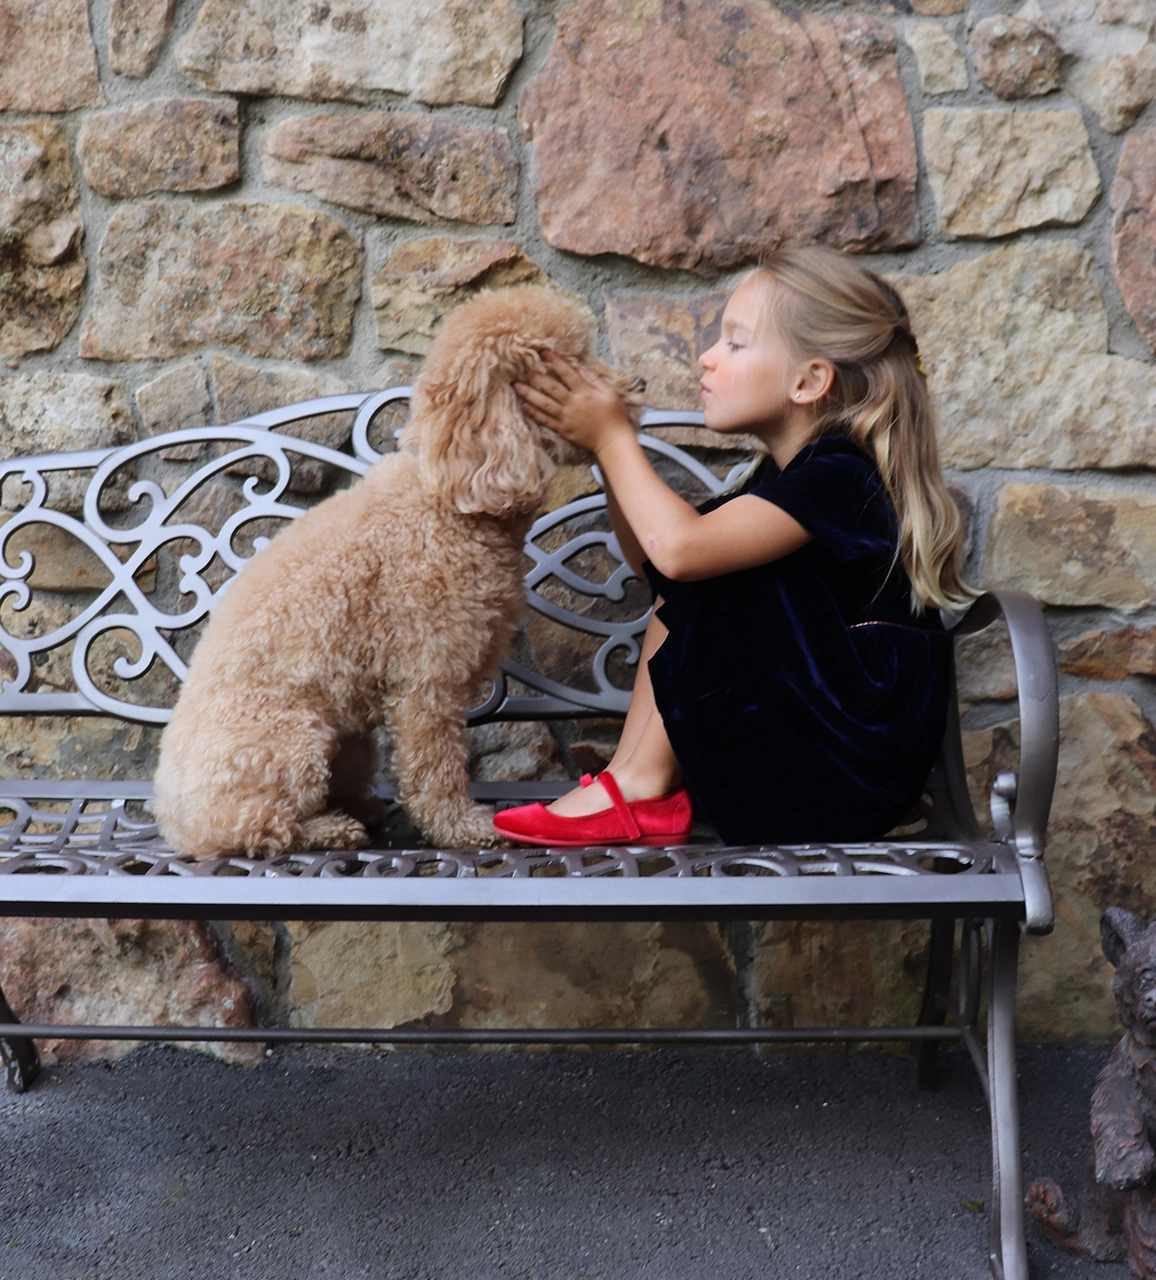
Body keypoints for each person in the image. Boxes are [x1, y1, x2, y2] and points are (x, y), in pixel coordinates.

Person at [493, 244, 975, 849]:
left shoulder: (842, 474)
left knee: (702, 563)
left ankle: (640, 785)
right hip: (823, 751)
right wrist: (606, 454)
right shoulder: (785, 481)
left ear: (808, 381)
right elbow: (658, 562)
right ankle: (637, 784)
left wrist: (614, 436)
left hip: (847, 768)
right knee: (698, 566)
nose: (707, 358)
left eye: (735, 344)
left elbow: (678, 552)